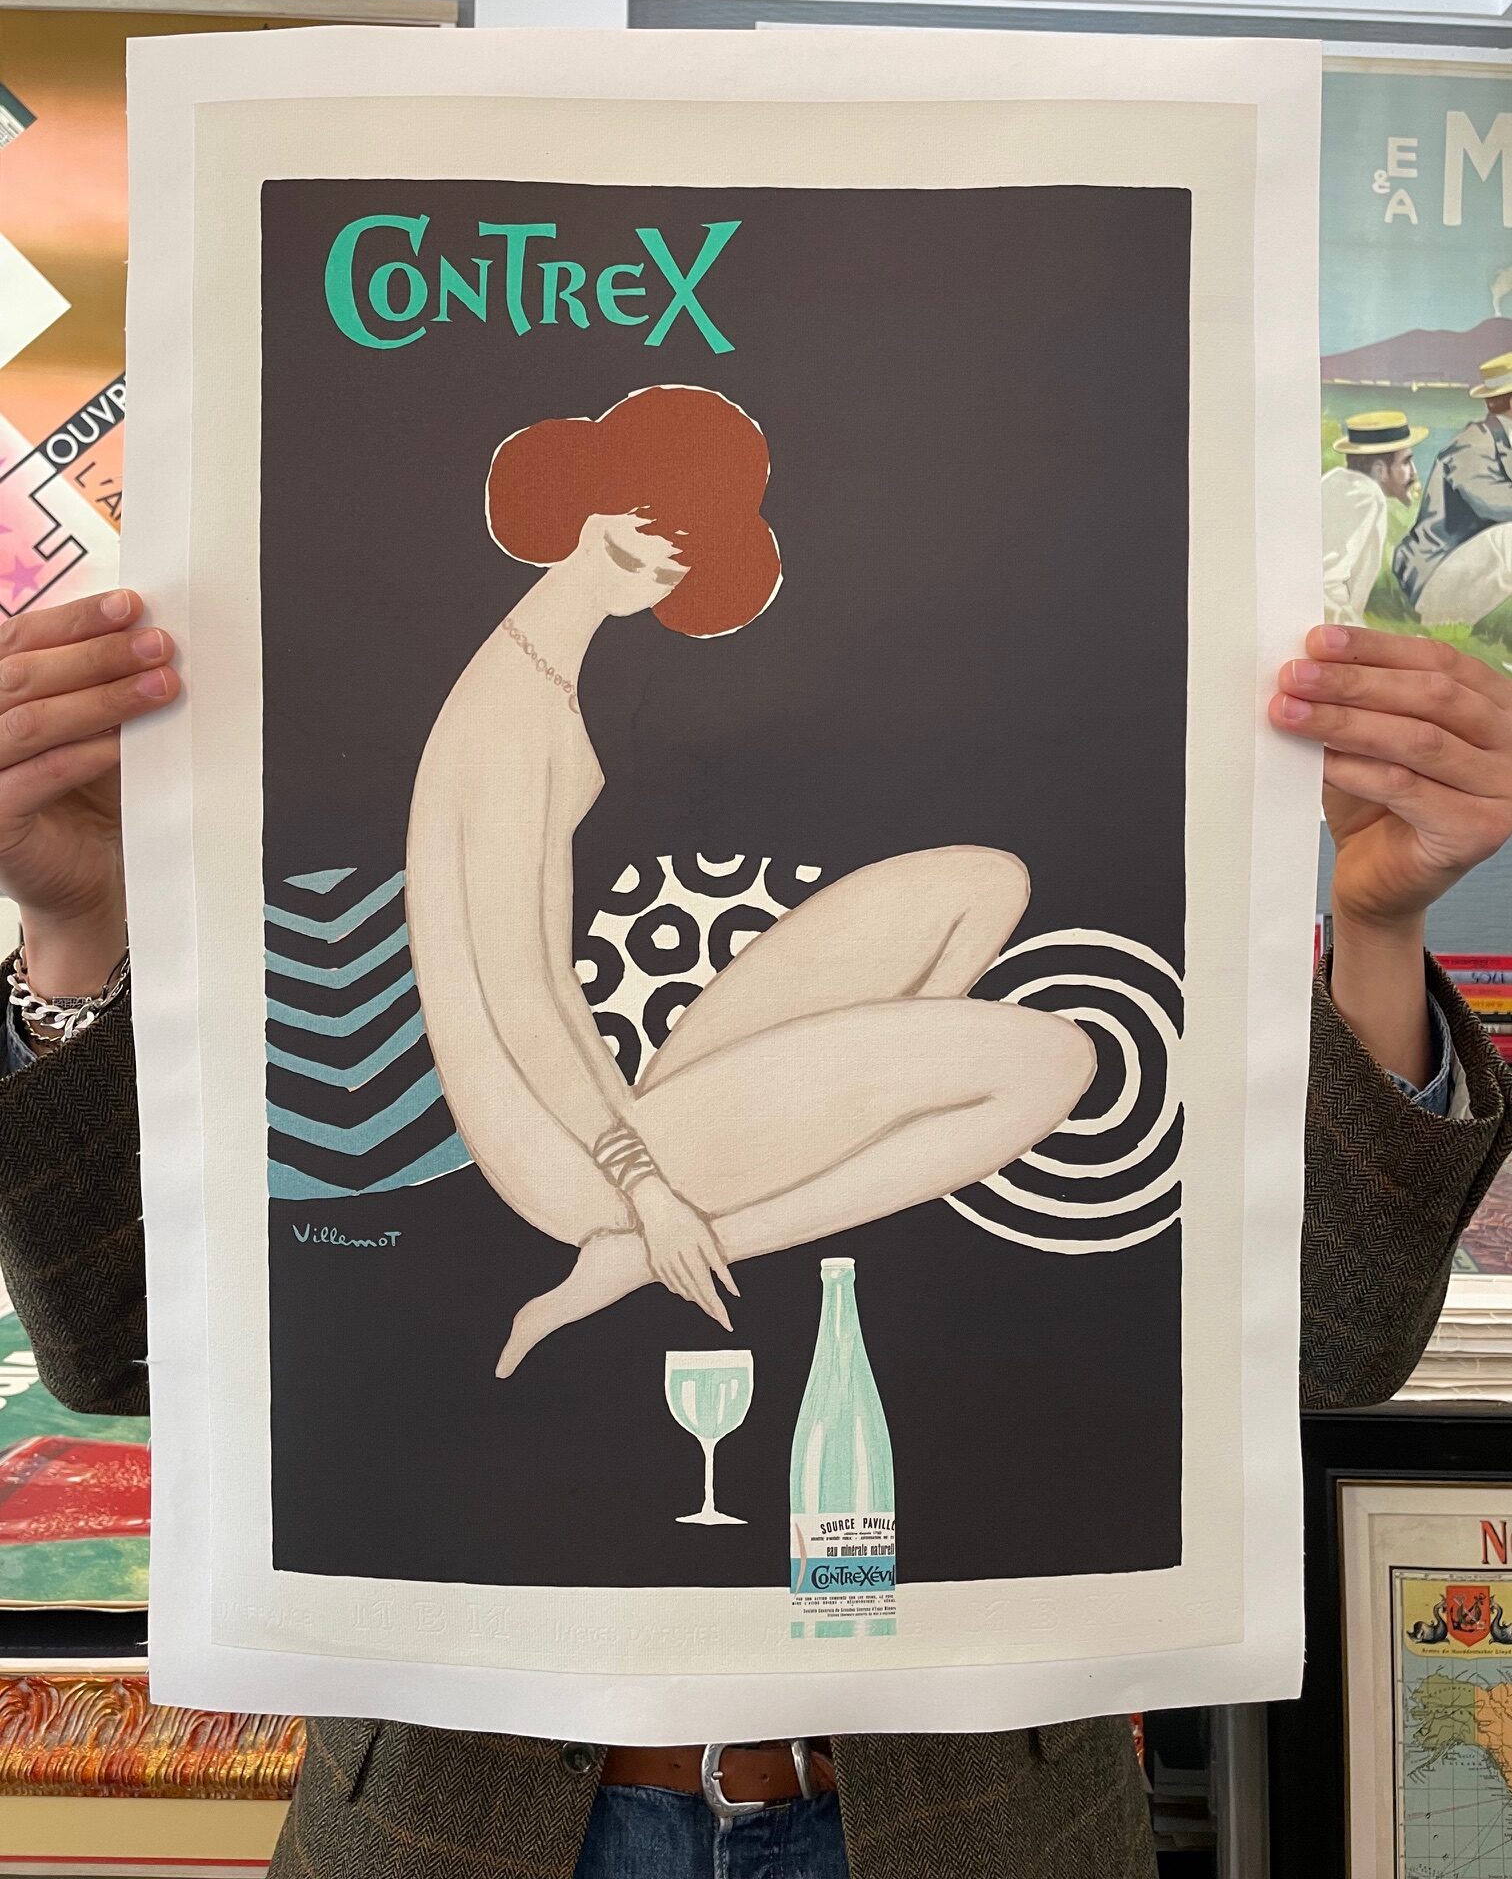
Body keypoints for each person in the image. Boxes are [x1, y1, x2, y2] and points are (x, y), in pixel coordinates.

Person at [1, 589, 1509, 1879]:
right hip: (471, 1808)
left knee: (991, 910)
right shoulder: (441, 690)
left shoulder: (1028, 659)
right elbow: (117, 1347)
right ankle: (630, 1243)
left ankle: (636, 1247)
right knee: (1047, 1056)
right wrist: (73, 930)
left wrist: (1377, 931)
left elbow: (1334, 1346)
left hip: (971, 1814)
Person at [408, 387, 1094, 1379]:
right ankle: (649, 1250)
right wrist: (643, 1185)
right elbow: (522, 999)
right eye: (641, 522)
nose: (661, 555)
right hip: (563, 1154)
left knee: (980, 887)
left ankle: (812, 1125)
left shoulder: (540, 678)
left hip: (600, 1105)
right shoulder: (509, 720)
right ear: (581, 496)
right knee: (1053, 1061)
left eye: (687, 544)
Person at [1393, 353, 1512, 628]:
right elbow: (1491, 502)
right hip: (1434, 574)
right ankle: (1438, 625)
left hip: (1469, 571)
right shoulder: (1472, 443)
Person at [1322, 409, 1426, 626]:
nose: (1414, 472)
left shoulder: (1334, 481)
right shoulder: (1367, 497)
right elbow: (1327, 584)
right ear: (1380, 470)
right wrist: (1357, 633)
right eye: (1406, 462)